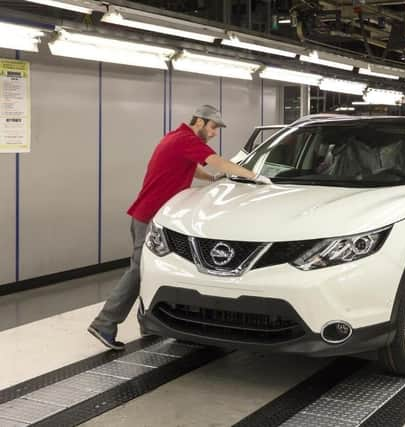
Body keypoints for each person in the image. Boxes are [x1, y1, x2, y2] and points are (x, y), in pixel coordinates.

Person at [88, 105, 270, 350]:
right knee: (138, 271)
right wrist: (253, 176)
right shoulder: (187, 139)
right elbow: (218, 162)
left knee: (148, 269)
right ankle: (105, 323)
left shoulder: (174, 137)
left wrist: (212, 180)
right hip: (151, 216)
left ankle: (148, 322)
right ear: (200, 122)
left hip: (150, 215)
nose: (215, 133)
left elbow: (193, 167)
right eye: (214, 127)